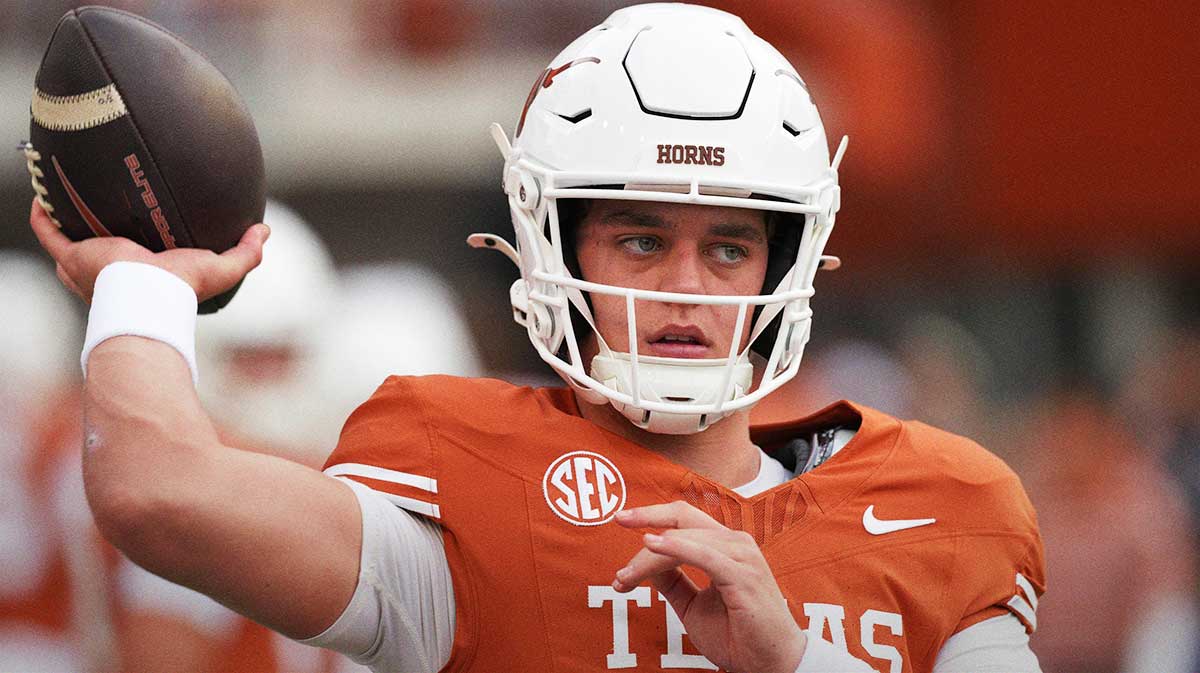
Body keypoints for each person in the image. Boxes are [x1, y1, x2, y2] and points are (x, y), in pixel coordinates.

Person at [30, 4, 1045, 672]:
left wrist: (795, 662)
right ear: (553, 245)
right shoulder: (473, 479)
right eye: (642, 240)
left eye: (729, 247)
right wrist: (140, 290)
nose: (687, 289)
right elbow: (157, 491)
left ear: (785, 265)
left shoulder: (945, 507)